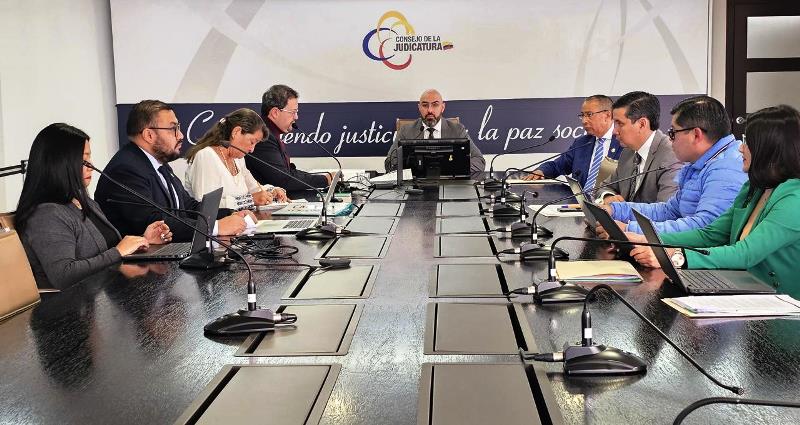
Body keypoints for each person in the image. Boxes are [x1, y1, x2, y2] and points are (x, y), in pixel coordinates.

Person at [628, 105, 800, 297]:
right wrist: (650, 240)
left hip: (782, 304)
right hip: (745, 290)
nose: (741, 148)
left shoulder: (794, 199)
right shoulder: (754, 188)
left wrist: (677, 257)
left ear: (768, 149)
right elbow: (711, 235)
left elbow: (745, 254)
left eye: (747, 143)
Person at [15, 123, 172, 290]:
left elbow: (108, 251)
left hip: (104, 293)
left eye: (89, 158)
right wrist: (119, 252)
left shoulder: (84, 202)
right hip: (70, 304)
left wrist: (143, 240)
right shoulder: (46, 214)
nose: (91, 166)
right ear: (59, 163)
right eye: (83, 159)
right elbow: (64, 275)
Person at [96, 100, 253, 242]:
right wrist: (216, 227)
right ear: (149, 135)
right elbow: (154, 222)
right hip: (141, 261)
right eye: (173, 129)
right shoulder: (126, 170)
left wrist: (230, 214)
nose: (181, 135)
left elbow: (187, 207)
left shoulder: (157, 163)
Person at [596, 95, 747, 237]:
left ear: (696, 135)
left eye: (673, 132)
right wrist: (615, 210)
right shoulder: (701, 164)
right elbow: (668, 211)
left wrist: (629, 229)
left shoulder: (726, 169)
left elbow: (705, 229)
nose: (670, 138)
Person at [184, 108, 288, 210]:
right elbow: (204, 205)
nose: (252, 149)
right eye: (252, 142)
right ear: (236, 132)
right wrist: (249, 201)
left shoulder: (238, 159)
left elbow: (255, 188)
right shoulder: (206, 156)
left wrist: (272, 191)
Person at [522, 95, 623, 192]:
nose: (584, 121)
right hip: (578, 201)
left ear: (607, 115)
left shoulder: (623, 142)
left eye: (589, 115)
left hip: (610, 201)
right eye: (582, 115)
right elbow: (557, 166)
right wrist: (541, 171)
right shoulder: (582, 143)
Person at [598, 91, 681, 204]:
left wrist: (622, 210)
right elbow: (604, 187)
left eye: (620, 123)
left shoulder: (672, 155)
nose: (614, 131)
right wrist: (608, 196)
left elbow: (666, 209)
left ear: (642, 124)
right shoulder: (628, 152)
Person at [246, 84, 332, 192]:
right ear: (275, 112)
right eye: (293, 112)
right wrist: (325, 180)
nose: (296, 117)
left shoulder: (270, 132)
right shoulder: (263, 137)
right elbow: (283, 179)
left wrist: (323, 178)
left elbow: (288, 172)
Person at [385, 89, 486, 173]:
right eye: (425, 105)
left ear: (442, 107)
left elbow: (479, 161)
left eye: (435, 105)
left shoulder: (458, 130)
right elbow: (389, 162)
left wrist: (450, 167)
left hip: (449, 184)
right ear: (419, 108)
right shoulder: (406, 131)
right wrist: (416, 168)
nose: (430, 110)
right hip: (415, 185)